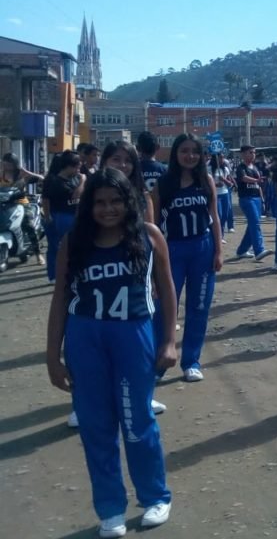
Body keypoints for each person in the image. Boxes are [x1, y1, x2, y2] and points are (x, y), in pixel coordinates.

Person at [45, 168, 176, 537]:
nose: (108, 208)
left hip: (133, 335)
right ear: (89, 206)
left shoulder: (148, 236)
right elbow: (60, 300)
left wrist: (169, 340)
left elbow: (167, 290)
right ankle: (110, 509)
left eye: (116, 200)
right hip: (85, 338)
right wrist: (52, 356)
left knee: (137, 423)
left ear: (128, 202)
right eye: (100, 202)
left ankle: (155, 496)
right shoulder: (74, 241)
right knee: (96, 426)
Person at [152, 133, 223, 383]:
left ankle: (191, 361)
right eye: (184, 150)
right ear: (176, 153)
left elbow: (214, 217)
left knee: (199, 306)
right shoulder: (163, 183)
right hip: (171, 250)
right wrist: (153, 261)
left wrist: (218, 250)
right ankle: (159, 363)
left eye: (195, 151)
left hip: (202, 249)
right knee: (163, 308)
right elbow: (153, 224)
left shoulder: (206, 180)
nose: (190, 156)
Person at [42, 150, 85, 284]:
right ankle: (54, 275)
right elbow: (46, 199)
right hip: (59, 216)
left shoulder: (73, 179)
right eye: (77, 167)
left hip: (72, 215)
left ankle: (69, 273)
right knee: (56, 247)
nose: (79, 170)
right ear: (69, 166)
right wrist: (47, 215)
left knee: (72, 246)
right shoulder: (54, 180)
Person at [1, 152, 44, 263]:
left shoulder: (21, 175)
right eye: (5, 163)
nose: (6, 166)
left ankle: (38, 253)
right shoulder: (1, 174)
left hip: (21, 203)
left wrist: (27, 172)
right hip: (3, 203)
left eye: (9, 163)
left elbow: (42, 179)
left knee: (28, 225)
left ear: (15, 164)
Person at [232, 145, 272, 262]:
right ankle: (259, 250)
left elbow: (258, 185)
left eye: (254, 152)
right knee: (255, 223)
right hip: (246, 198)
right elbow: (243, 178)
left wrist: (262, 199)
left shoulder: (255, 167)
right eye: (250, 152)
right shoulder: (241, 167)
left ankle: (242, 250)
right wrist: (256, 180)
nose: (253, 155)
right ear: (243, 154)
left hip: (256, 198)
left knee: (252, 225)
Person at [99, 141, 154, 223]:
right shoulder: (94, 192)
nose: (123, 165)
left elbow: (148, 227)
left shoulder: (142, 196)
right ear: (104, 162)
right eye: (116, 159)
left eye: (128, 161)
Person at [211, 152, 234, 241]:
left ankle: (222, 235)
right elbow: (206, 183)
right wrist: (216, 184)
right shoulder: (209, 169)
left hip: (225, 193)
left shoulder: (225, 169)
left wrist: (224, 180)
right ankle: (217, 236)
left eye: (223, 157)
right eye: (220, 157)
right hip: (215, 194)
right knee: (219, 215)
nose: (222, 159)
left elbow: (230, 183)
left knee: (225, 215)